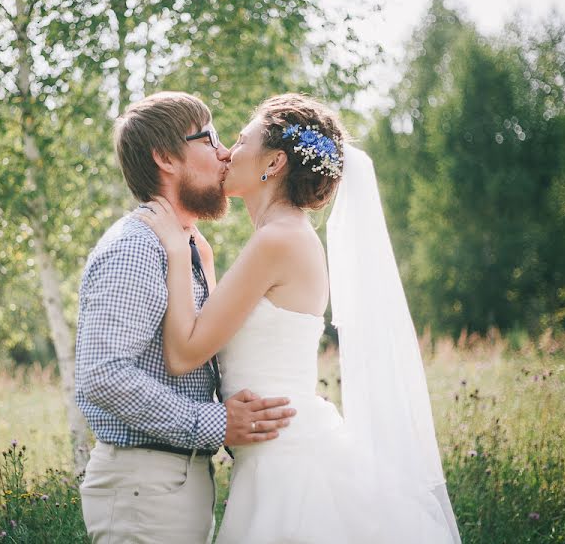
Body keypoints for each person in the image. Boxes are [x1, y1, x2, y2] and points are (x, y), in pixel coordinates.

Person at [135, 93, 462, 543]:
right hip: (276, 456)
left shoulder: (278, 240)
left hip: (289, 470)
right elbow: (225, 329)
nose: (226, 152)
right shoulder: (285, 236)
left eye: (241, 140)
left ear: (274, 162)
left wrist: (175, 251)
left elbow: (185, 352)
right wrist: (203, 260)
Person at [75, 91, 297, 544]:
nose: (223, 152)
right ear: (165, 158)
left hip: (172, 483)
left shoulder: (183, 247)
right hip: (144, 487)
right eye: (208, 137)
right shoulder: (137, 248)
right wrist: (215, 423)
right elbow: (101, 374)